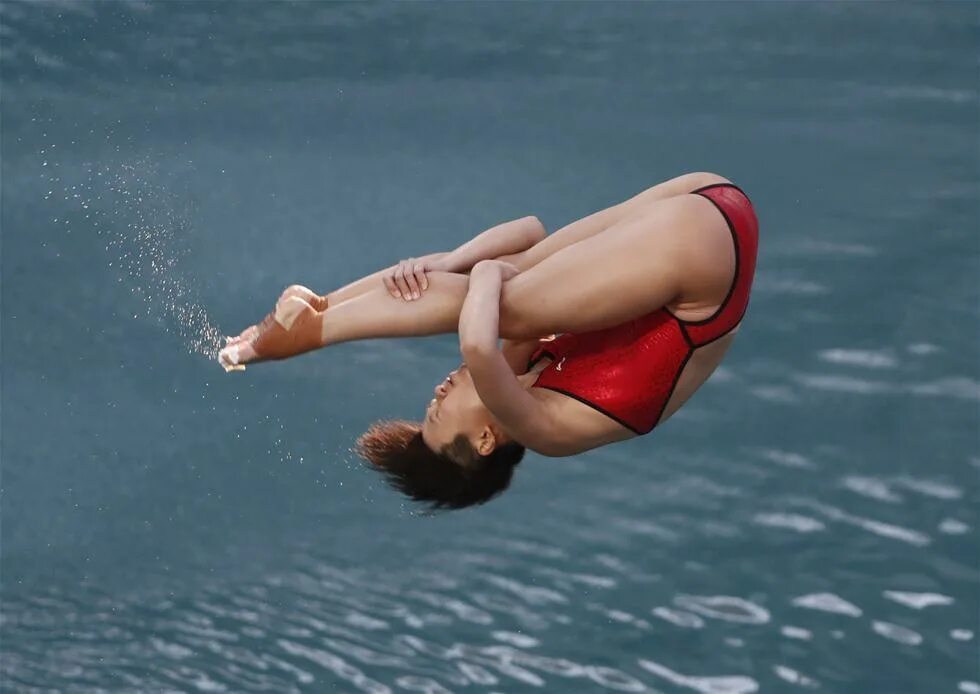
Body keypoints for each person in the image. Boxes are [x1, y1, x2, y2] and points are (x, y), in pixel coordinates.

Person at [219, 172, 759, 510]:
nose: (435, 393)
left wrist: (458, 260)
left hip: (703, 205)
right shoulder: (546, 429)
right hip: (706, 253)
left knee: (510, 284)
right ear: (484, 442)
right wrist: (482, 274)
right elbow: (476, 345)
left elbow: (527, 229)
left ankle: (322, 309)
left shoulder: (535, 362)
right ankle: (312, 332)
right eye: (435, 414)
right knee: (501, 302)